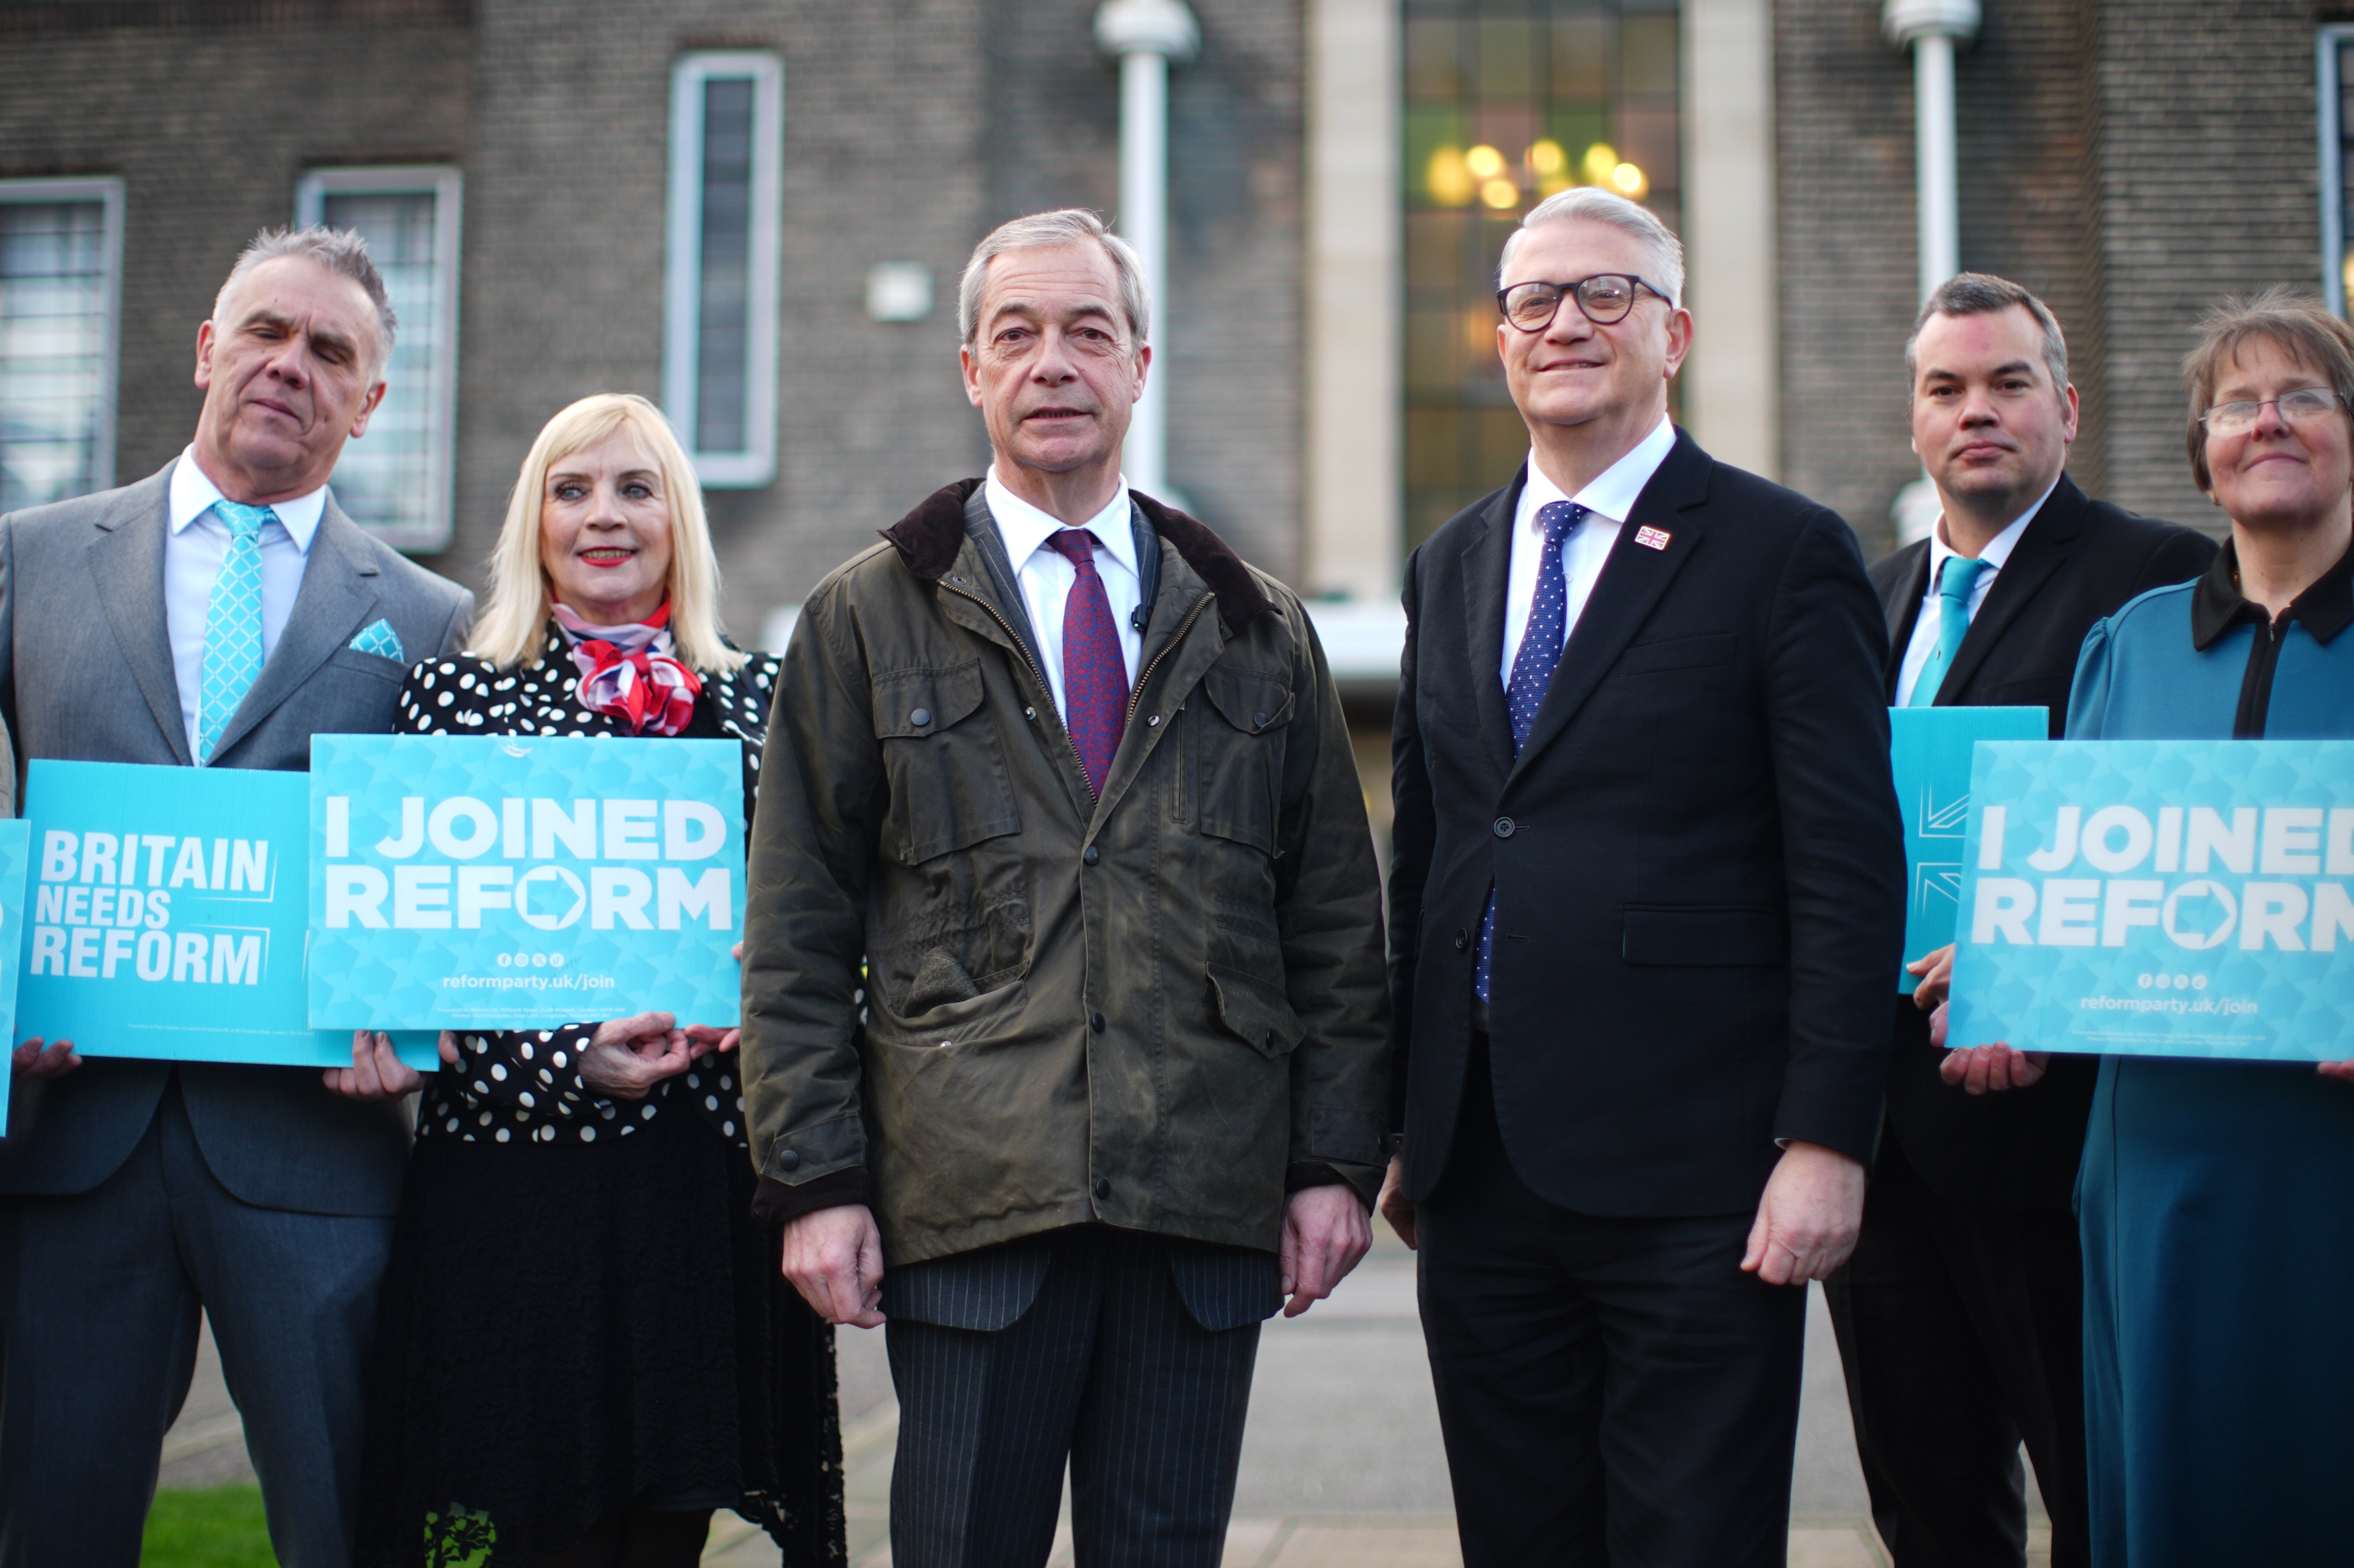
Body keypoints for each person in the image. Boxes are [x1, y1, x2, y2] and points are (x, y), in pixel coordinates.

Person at [740, 209, 1389, 1568]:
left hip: (1198, 1203)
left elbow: (1333, 921)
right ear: (970, 370)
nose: (1054, 363)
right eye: (1017, 335)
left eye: (1088, 331)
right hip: (970, 1206)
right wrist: (815, 1181)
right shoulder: (865, 619)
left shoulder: (1259, 627)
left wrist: (1333, 1164)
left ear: (1140, 364)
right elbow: (794, 930)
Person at [1378, 185, 1906, 1567]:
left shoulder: (1784, 552)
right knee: (1521, 1537)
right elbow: (1428, 855)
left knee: (1692, 1540)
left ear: (1675, 332)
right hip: (1479, 1167)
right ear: (1500, 338)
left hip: (1701, 1176)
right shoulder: (1452, 561)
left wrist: (1827, 1137)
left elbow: (1850, 864)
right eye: (1532, 301)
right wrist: (1393, 1116)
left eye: (1604, 294)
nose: (1565, 323)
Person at [0, 227, 473, 1567]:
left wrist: (414, 1026)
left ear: (371, 402)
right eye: (266, 332)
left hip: (313, 1152)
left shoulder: (430, 617)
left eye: (332, 352)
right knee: (53, 1527)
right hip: (72, 1135)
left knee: (351, 1526)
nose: (290, 366)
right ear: (208, 347)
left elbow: (440, 874)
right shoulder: (27, 559)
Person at [352, 394, 843, 1568]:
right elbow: (417, 954)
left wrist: (765, 996)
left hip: (698, 1187)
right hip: (514, 1196)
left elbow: (834, 930)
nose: (604, 517)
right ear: (535, 522)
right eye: (572, 491)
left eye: (635, 488)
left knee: (662, 1527)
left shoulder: (767, 701)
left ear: (681, 518)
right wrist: (568, 1056)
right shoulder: (451, 701)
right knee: (535, 1531)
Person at [1943, 288, 2354, 1566]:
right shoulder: (2127, 645)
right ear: (2203, 451)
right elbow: (2094, 873)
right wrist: (2010, 959)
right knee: (2164, 1491)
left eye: (2305, 398)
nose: (2267, 423)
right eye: (2237, 404)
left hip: (2332, 1162)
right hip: (2156, 1158)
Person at [1825, 274, 2215, 1568]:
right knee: (1927, 1500)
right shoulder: (1861, 597)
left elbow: (2184, 830)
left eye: (2008, 385)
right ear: (1917, 419)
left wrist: (2038, 969)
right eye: (1947, 389)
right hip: (1876, 1132)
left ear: (2069, 408)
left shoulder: (2161, 581)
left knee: (2099, 1483)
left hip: (2061, 1125)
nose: (1975, 412)